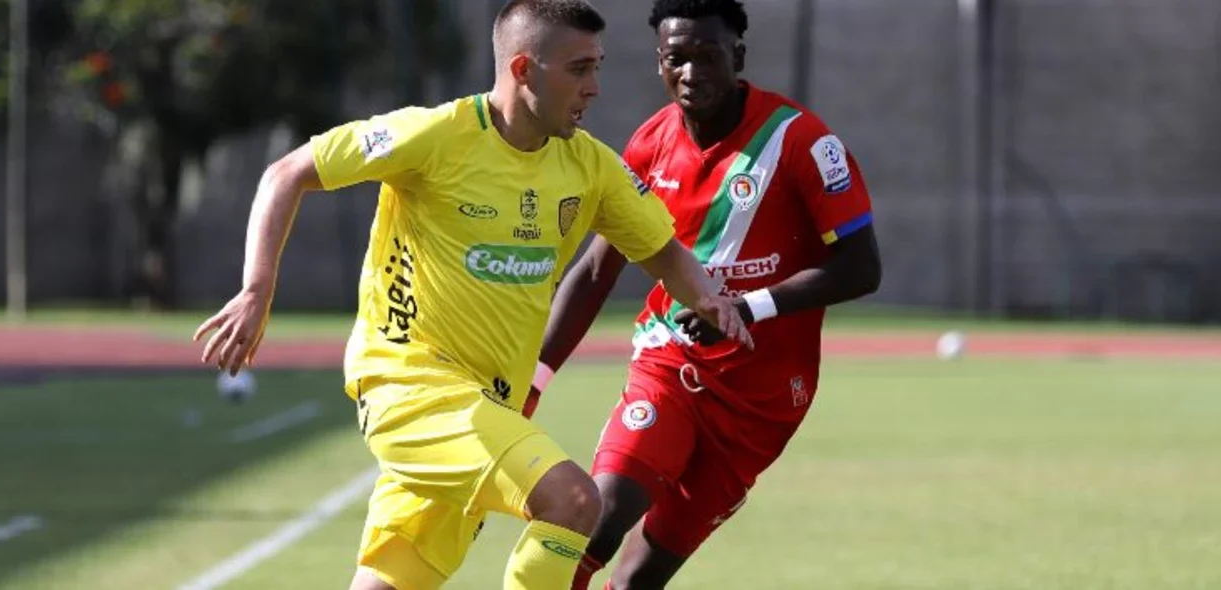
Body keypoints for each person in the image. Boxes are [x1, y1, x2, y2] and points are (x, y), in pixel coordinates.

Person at [192, 1, 754, 589]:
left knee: (387, 583)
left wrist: (708, 299)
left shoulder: (590, 166)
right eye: (579, 69)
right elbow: (288, 173)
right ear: (522, 70)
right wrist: (256, 291)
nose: (595, 87)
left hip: (487, 406)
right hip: (408, 387)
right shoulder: (436, 136)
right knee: (573, 503)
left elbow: (663, 250)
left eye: (598, 67)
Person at [527, 1, 884, 588]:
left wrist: (748, 309)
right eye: (677, 59)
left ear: (737, 57)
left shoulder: (800, 142)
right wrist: (535, 377)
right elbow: (597, 270)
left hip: (761, 408)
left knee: (637, 581)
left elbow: (861, 267)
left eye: (708, 56)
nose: (692, 73)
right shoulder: (648, 146)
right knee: (598, 517)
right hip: (671, 364)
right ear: (659, 64)